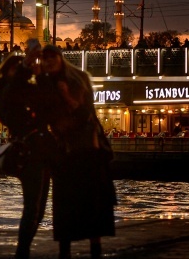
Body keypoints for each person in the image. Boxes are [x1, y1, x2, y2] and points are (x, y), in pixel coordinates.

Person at [37, 44, 116, 259]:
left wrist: (67, 97)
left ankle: (95, 250)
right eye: (44, 59)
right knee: (65, 206)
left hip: (87, 150)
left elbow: (84, 114)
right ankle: (65, 251)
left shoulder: (77, 79)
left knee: (92, 204)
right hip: (64, 152)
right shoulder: (44, 82)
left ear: (61, 59)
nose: (49, 61)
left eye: (52, 57)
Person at [0, 41, 57, 259]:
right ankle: (22, 252)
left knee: (39, 209)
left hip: (42, 150)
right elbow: (14, 89)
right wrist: (26, 66)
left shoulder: (21, 92)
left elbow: (46, 99)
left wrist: (40, 73)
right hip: (30, 152)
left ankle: (23, 249)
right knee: (32, 207)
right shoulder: (6, 94)